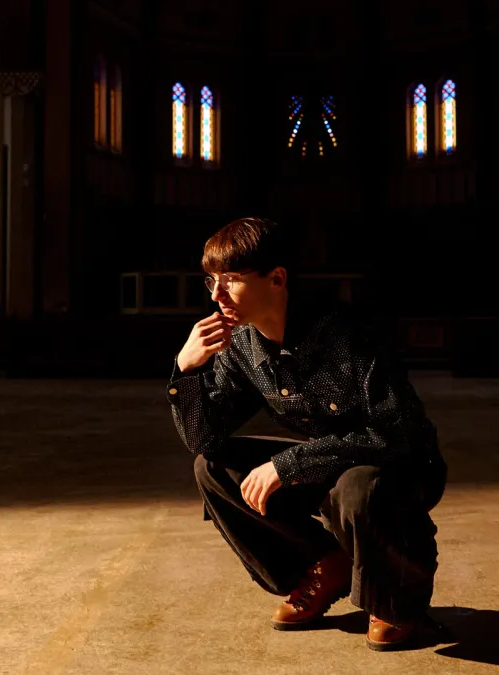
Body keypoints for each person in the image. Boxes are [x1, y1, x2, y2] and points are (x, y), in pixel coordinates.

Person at [166, 216, 448, 651]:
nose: (217, 295)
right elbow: (203, 439)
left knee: (359, 486)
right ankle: (324, 566)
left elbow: (397, 432)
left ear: (277, 279)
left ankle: (392, 598)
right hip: (332, 466)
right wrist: (185, 371)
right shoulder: (242, 344)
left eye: (232, 280)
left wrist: (288, 464)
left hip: (399, 467)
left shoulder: (349, 334)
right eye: (211, 281)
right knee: (213, 467)